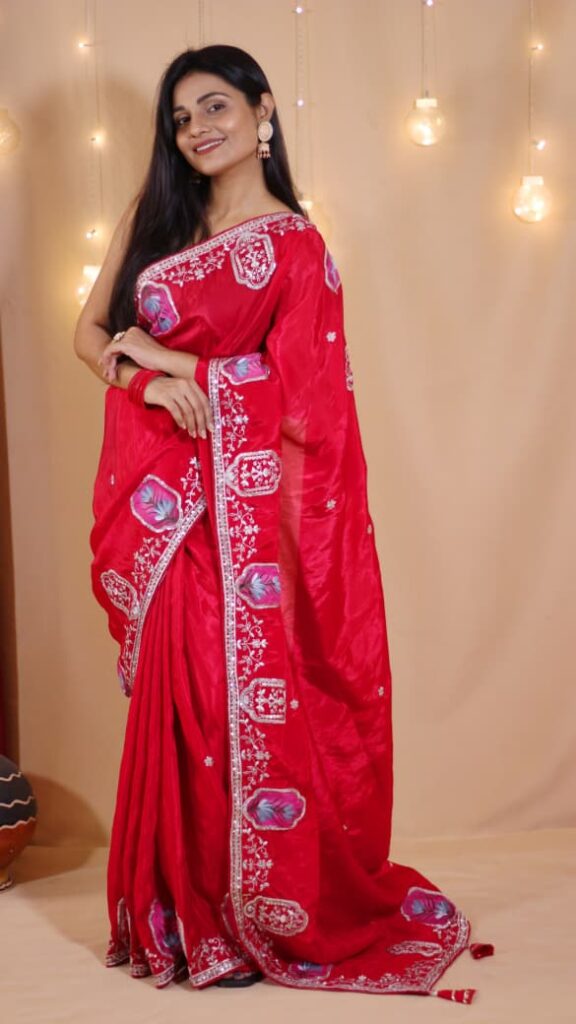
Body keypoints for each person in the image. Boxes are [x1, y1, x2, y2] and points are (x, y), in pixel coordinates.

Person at [74, 44, 491, 1000]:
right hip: (160, 506)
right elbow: (89, 333)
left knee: (226, 702)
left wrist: (181, 366)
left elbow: (309, 401)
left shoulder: (297, 248)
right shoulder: (155, 218)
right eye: (181, 117)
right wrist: (141, 380)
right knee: (177, 708)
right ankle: (179, 919)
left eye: (215, 107)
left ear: (262, 111)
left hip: (239, 519)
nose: (197, 129)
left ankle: (242, 914)